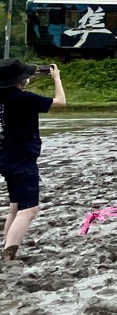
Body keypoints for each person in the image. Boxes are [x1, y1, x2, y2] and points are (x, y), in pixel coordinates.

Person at [0, 60, 66, 261]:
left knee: (16, 206)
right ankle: (8, 253)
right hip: (23, 158)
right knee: (29, 209)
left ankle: (6, 245)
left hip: (5, 156)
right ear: (19, 81)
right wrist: (56, 79)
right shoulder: (24, 98)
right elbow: (60, 102)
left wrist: (28, 76)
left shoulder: (3, 98)